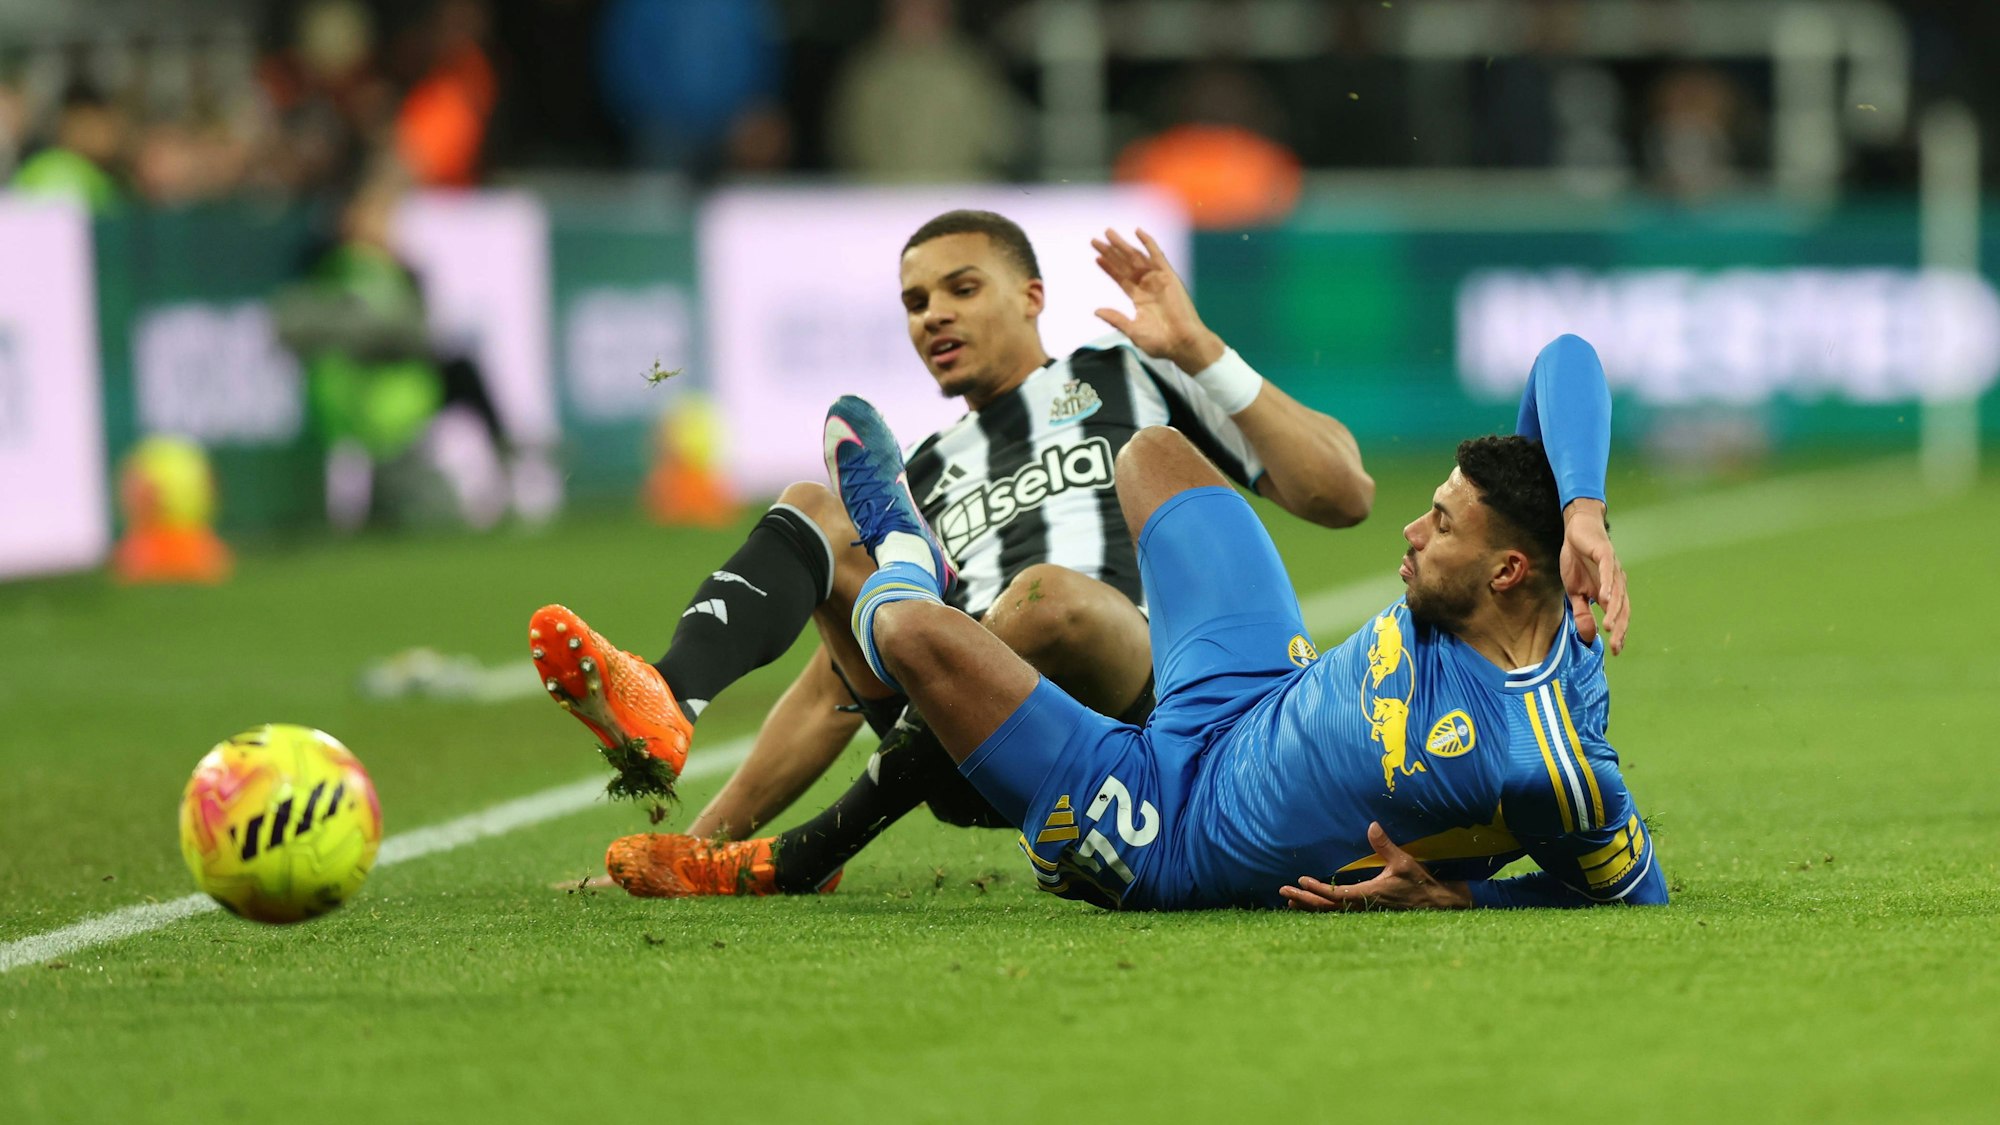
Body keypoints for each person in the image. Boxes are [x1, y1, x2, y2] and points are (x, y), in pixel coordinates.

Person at [529, 211, 1375, 896]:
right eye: (915, 300)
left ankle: (811, 851)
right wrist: (691, 845)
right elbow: (829, 690)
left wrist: (1199, 350)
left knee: (1051, 598)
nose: (932, 312)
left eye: (962, 288)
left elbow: (1341, 492)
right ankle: (670, 694)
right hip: (971, 732)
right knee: (817, 511)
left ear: (1032, 295)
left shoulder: (1132, 372)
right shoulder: (921, 476)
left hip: (1146, 698)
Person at [820, 331, 1661, 911]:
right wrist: (1584, 505)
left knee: (911, 633)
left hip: (1176, 827)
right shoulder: (1528, 556)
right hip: (1257, 687)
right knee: (1151, 452)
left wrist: (1463, 893)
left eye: (1439, 524)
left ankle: (903, 553)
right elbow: (1565, 357)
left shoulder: (1541, 758)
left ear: (1508, 571)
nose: (1410, 531)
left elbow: (1631, 888)